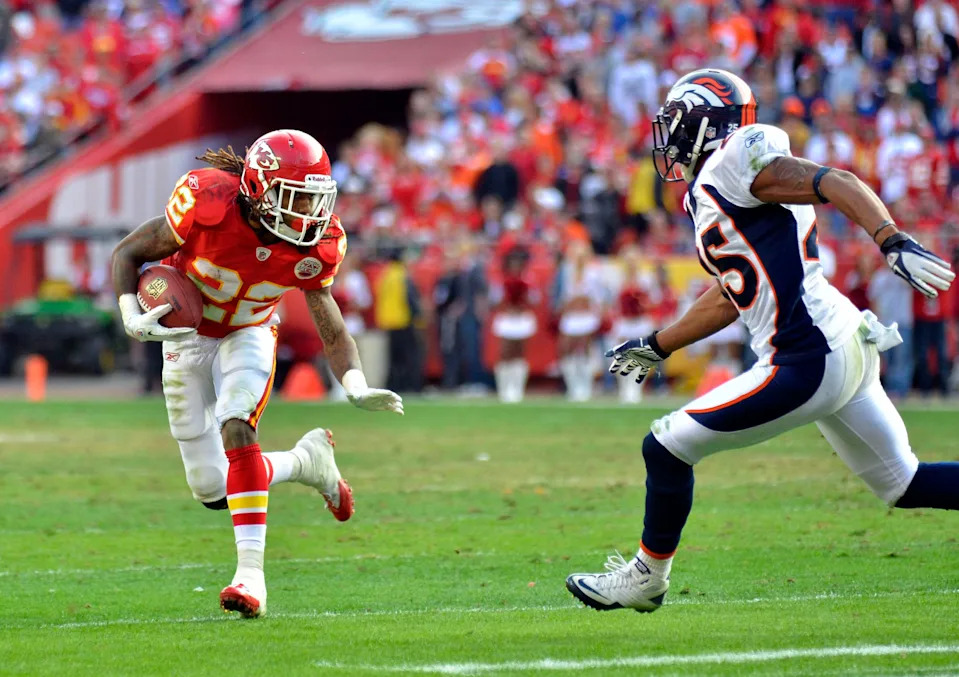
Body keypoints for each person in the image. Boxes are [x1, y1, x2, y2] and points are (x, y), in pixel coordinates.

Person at [565, 69, 958, 613]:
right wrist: (659, 343)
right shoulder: (714, 187)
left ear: (709, 121)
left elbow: (836, 180)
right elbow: (731, 294)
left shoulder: (737, 156)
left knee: (665, 446)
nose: (669, 136)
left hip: (807, 355)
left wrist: (891, 239)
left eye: (678, 122)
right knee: (905, 484)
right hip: (839, 341)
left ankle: (647, 578)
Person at [111, 129, 403, 619]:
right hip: (187, 336)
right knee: (211, 489)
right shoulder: (207, 203)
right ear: (258, 190)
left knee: (237, 422)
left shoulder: (317, 244)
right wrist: (128, 312)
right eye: (295, 198)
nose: (308, 213)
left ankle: (251, 578)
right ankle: (306, 463)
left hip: (249, 330)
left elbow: (330, 326)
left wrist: (355, 384)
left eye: (315, 199)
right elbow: (128, 253)